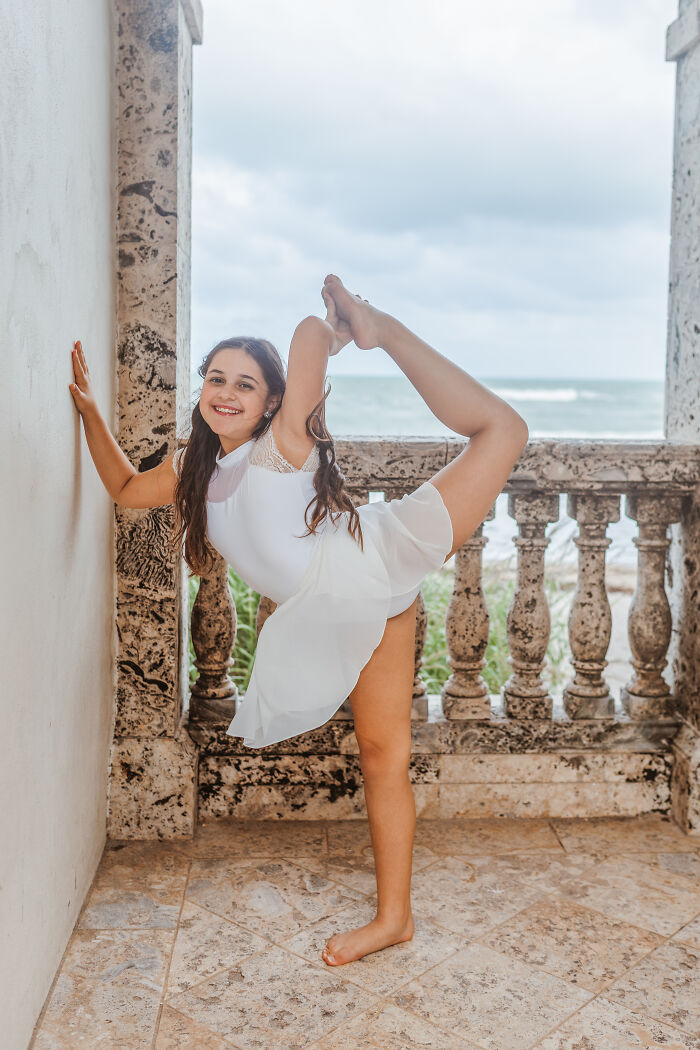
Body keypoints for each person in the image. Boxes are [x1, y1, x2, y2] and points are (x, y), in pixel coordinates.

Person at [69, 273, 529, 968]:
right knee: (379, 756)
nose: (225, 391)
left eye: (245, 383)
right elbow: (128, 488)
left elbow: (309, 337)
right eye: (215, 378)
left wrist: (344, 326)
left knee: (505, 431)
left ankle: (387, 328)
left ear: (275, 403)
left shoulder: (282, 445)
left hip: (382, 555)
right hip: (349, 609)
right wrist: (88, 415)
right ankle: (394, 919)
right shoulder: (192, 466)